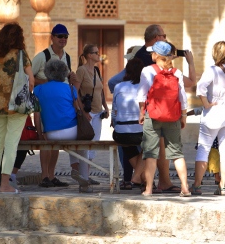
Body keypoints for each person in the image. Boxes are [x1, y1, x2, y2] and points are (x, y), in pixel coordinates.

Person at [0, 23, 34, 194]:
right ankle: (4, 184)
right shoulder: (21, 55)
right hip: (16, 107)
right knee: (11, 144)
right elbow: (31, 80)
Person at [190, 41, 225, 195]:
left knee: (203, 148)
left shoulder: (211, 71)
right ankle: (222, 186)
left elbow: (200, 88)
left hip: (213, 114)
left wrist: (206, 103)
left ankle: (197, 185)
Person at [138, 41, 190, 197]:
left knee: (150, 154)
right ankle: (185, 188)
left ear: (155, 55)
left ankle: (148, 189)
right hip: (173, 116)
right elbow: (183, 97)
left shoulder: (147, 71)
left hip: (152, 116)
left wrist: (142, 112)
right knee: (177, 153)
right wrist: (184, 116)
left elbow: (142, 95)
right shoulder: (177, 72)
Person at [34, 59, 92, 193]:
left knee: (50, 143)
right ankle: (83, 178)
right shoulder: (70, 88)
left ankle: (46, 176)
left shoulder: (38, 89)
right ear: (64, 74)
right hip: (71, 131)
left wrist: (40, 135)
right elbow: (77, 109)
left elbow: (36, 116)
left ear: (47, 73)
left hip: (51, 133)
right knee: (82, 147)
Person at [32, 24, 74, 188]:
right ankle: (44, 176)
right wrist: (47, 83)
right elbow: (29, 76)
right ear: (52, 37)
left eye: (65, 36)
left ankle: (51, 175)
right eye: (60, 36)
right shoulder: (42, 56)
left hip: (59, 101)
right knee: (45, 138)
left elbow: (67, 77)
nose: (63, 39)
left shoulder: (67, 57)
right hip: (44, 100)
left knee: (54, 140)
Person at [74, 44, 109, 185]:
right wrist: (82, 111)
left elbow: (100, 91)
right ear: (89, 55)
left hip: (97, 111)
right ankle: (83, 176)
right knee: (85, 144)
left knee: (93, 145)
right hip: (87, 113)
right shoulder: (81, 71)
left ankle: (86, 176)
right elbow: (74, 92)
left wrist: (105, 107)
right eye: (96, 53)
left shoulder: (96, 70)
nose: (99, 55)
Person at [112, 58, 145, 187]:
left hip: (121, 132)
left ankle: (142, 179)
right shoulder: (145, 87)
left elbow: (115, 111)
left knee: (128, 144)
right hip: (140, 131)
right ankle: (141, 178)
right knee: (151, 145)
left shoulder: (118, 86)